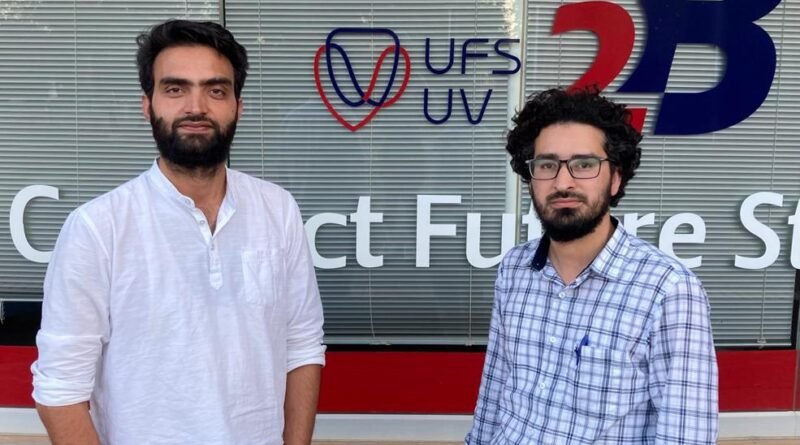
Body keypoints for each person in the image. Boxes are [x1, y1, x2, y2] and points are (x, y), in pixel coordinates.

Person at [31, 20, 325, 445]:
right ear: (147, 105)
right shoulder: (97, 228)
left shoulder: (277, 210)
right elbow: (59, 391)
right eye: (175, 89)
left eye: (216, 90)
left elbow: (302, 345)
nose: (196, 107)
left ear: (238, 106)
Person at [465, 88, 718, 444]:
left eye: (584, 164)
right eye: (546, 165)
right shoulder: (514, 270)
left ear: (615, 179)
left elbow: (685, 433)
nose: (562, 182)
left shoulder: (668, 289)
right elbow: (495, 390)